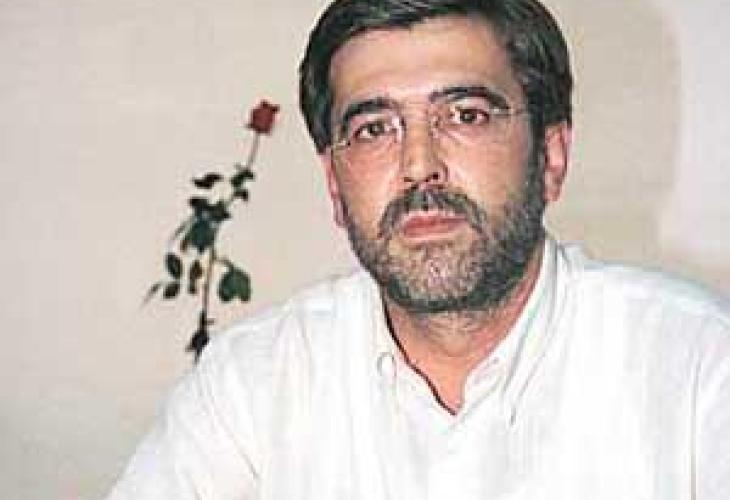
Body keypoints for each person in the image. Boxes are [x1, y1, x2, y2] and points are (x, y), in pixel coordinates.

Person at [108, 0, 730, 498]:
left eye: (465, 116)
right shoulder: (251, 385)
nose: (418, 165)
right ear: (334, 184)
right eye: (374, 129)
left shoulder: (698, 367)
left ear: (551, 155)